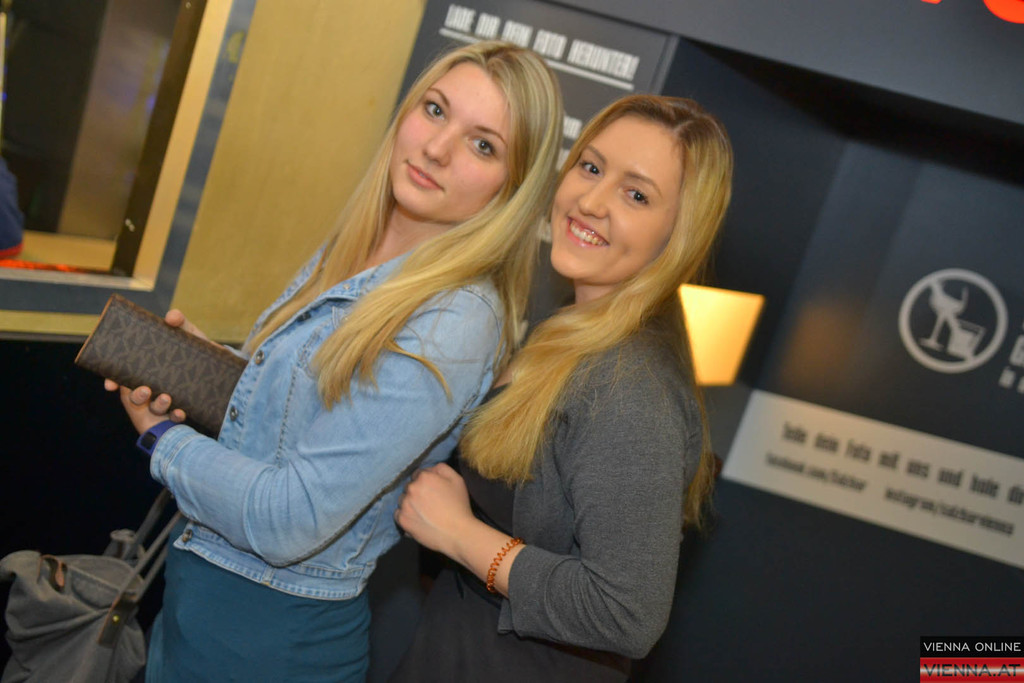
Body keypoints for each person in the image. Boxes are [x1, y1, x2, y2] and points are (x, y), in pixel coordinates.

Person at [107, 40, 563, 682]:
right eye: (435, 110)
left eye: (483, 145)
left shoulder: (454, 322)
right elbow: (298, 419)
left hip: (270, 641)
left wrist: (161, 439)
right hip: (199, 609)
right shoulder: (360, 248)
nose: (437, 148)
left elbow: (291, 519)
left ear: (512, 189)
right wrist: (210, 371)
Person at [392, 95, 734, 682]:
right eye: (591, 167)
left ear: (677, 235)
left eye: (636, 195)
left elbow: (626, 613)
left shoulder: (629, 386)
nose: (592, 202)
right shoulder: (572, 332)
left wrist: (461, 534)